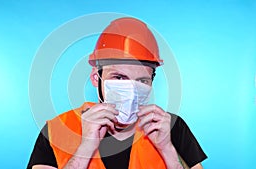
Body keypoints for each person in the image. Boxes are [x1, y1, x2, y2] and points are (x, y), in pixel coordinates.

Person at [27, 17, 207, 169]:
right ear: (96, 79)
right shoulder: (57, 130)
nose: (131, 89)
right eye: (119, 78)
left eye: (142, 81)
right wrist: (85, 149)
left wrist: (168, 149)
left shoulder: (171, 126)